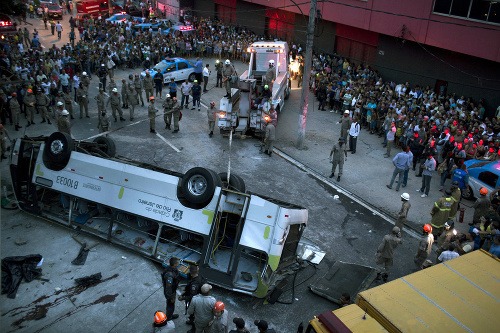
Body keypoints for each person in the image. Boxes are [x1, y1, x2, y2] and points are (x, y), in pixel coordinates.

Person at [179, 264, 205, 329]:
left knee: (194, 314)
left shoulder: (195, 283)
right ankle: (191, 320)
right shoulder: (199, 276)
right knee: (192, 314)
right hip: (198, 298)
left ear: (191, 272)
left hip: (195, 301)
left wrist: (183, 298)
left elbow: (192, 296)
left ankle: (193, 328)